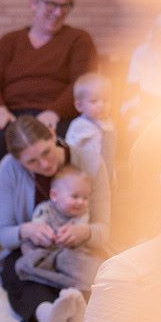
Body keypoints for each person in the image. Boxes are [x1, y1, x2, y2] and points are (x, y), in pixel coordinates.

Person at [0, 0, 98, 240]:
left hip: (57, 115)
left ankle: (66, 215)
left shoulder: (79, 40)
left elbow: (81, 83)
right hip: (14, 117)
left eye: (65, 6)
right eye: (50, 4)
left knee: (65, 145)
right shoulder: (10, 42)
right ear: (34, 3)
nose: (57, 12)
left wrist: (54, 110)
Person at [0, 116, 92, 322]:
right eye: (32, 162)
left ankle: (83, 315)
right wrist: (26, 230)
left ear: (52, 134)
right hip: (32, 250)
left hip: (80, 248)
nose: (45, 165)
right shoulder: (8, 169)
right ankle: (48, 315)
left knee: (90, 271)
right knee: (20, 271)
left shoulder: (89, 161)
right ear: (18, 161)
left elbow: (106, 227)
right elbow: (4, 233)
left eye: (47, 152)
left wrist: (84, 231)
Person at [15, 166, 103, 292]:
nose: (81, 202)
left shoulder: (83, 215)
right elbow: (37, 231)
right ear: (54, 195)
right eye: (75, 196)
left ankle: (84, 286)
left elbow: (82, 236)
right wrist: (46, 236)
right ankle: (77, 287)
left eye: (85, 198)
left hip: (72, 255)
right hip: (47, 253)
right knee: (26, 260)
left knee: (83, 261)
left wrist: (79, 232)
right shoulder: (44, 210)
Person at [64, 72, 115, 229]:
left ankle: (102, 227)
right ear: (79, 105)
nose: (101, 105)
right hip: (87, 172)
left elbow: (111, 150)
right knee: (87, 202)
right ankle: (83, 227)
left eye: (105, 100)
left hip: (106, 171)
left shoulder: (110, 124)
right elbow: (71, 150)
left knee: (105, 202)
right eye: (94, 101)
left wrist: (113, 174)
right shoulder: (79, 126)